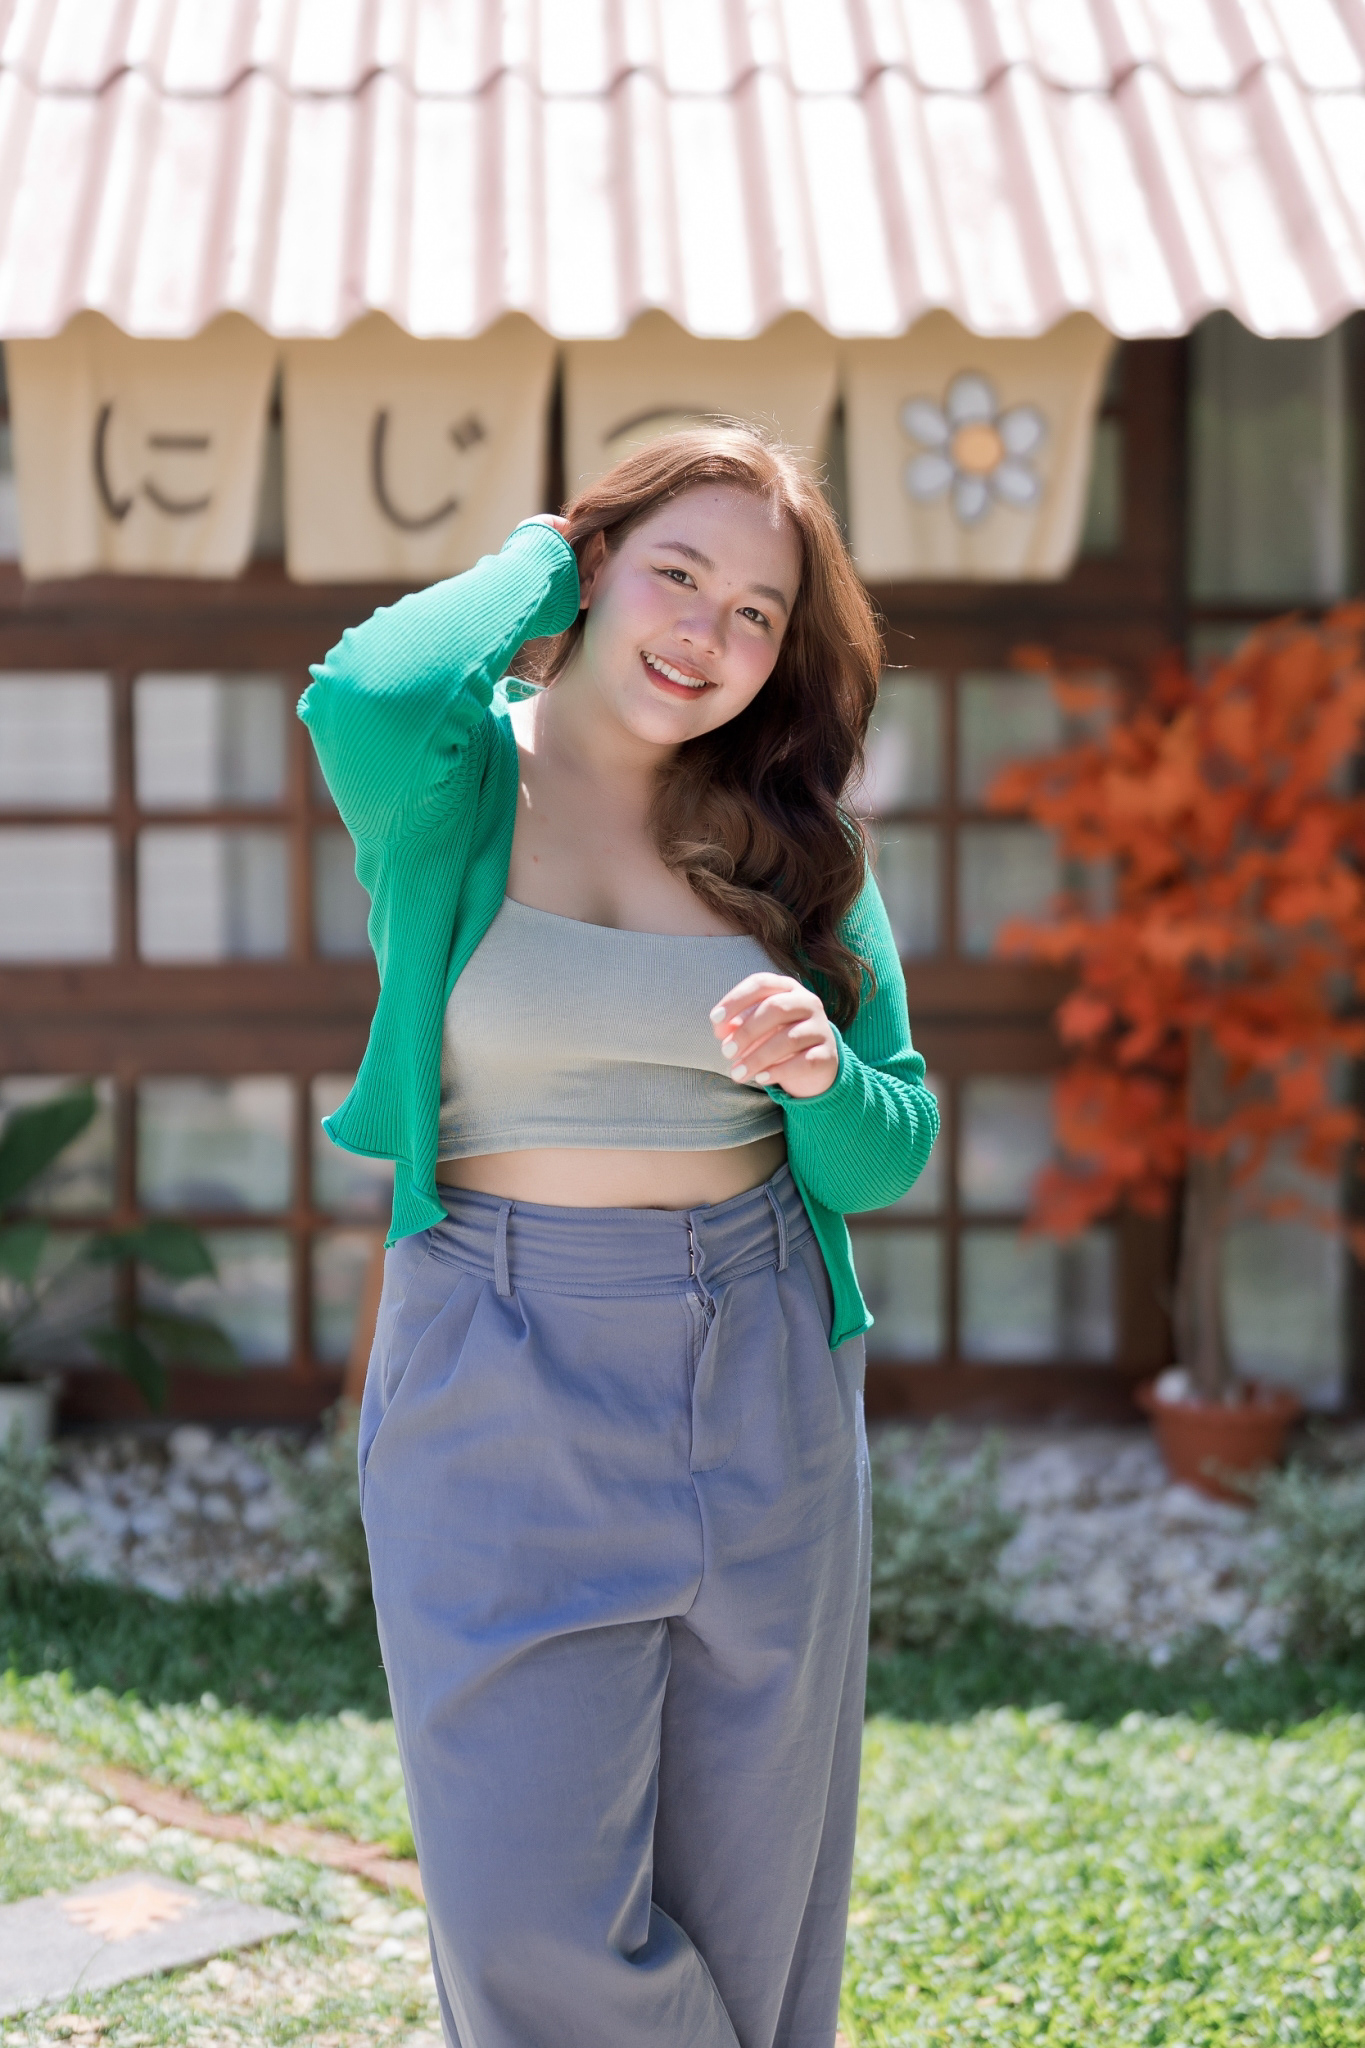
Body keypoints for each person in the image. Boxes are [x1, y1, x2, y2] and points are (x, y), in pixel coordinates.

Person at [300, 424, 938, 2048]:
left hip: (760, 1362)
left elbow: (892, 1145)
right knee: (527, 1931)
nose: (706, 636)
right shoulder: (454, 776)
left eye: (756, 614)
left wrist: (818, 1074)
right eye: (677, 575)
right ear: (594, 568)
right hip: (497, 1365)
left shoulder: (793, 841)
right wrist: (547, 556)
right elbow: (362, 687)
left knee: (754, 1923)